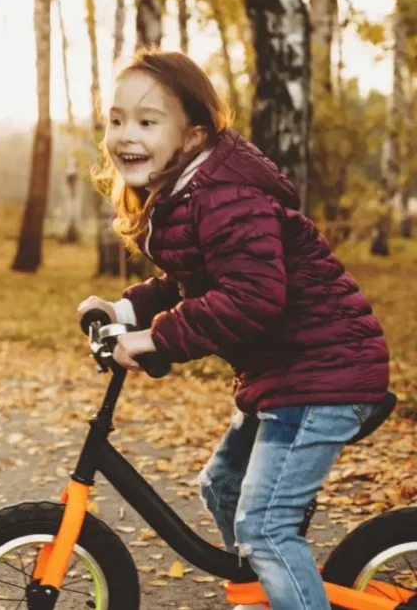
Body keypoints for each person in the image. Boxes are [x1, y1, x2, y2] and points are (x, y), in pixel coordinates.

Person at [77, 50, 389, 610]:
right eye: (116, 119)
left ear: (193, 135)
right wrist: (126, 312)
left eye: (148, 121)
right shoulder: (186, 196)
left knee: (265, 527)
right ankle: (268, 591)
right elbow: (188, 280)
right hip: (288, 375)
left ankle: (278, 570)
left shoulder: (224, 196)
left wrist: (159, 338)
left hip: (323, 376)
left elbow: (252, 295)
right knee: (221, 487)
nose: (126, 134)